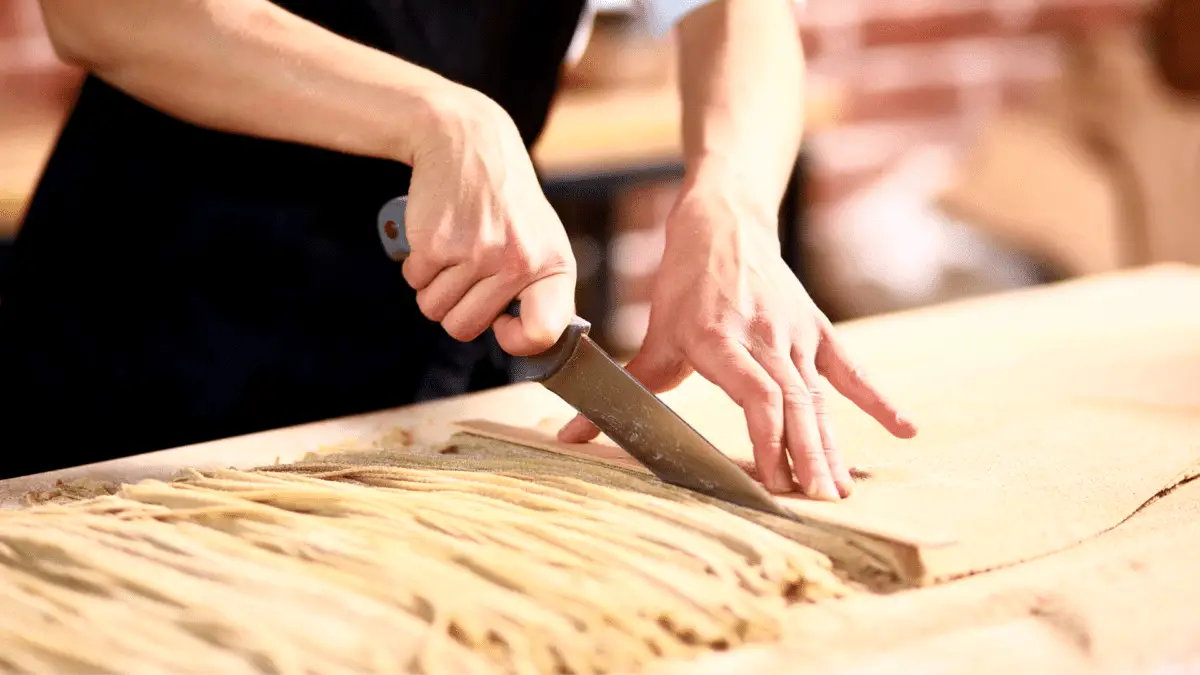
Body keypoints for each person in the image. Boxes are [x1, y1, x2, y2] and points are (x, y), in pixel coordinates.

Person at [0, 0, 916, 496]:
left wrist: (734, 200)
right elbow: (101, 13)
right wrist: (445, 116)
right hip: (147, 341)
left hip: (433, 341)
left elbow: (730, 8)